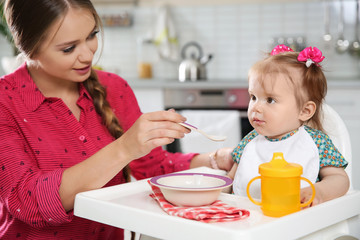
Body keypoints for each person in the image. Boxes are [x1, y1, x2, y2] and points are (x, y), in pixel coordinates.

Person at [0, 0, 234, 239]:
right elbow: (26, 201)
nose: (87, 54)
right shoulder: (5, 102)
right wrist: (124, 148)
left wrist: (217, 160)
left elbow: (153, 165)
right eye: (69, 48)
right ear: (28, 46)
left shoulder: (114, 87)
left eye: (92, 35)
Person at [227, 44, 350, 207]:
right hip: (247, 220)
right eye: (253, 97)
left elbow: (340, 179)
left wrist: (317, 192)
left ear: (305, 110)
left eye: (270, 100)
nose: (255, 107)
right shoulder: (249, 141)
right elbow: (230, 181)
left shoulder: (317, 142)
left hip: (296, 222)